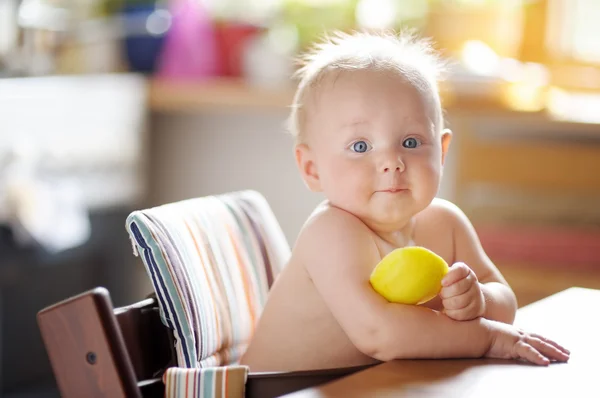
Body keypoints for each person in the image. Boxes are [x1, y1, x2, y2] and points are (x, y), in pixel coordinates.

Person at [240, 30, 569, 372]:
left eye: (411, 142)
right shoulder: (331, 232)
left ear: (440, 152)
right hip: (281, 390)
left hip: (367, 386)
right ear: (312, 169)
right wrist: (489, 338)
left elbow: (504, 302)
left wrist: (478, 300)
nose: (392, 161)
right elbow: (379, 332)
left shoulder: (446, 224)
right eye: (360, 146)